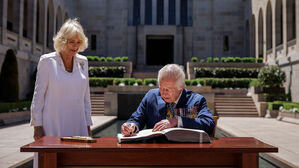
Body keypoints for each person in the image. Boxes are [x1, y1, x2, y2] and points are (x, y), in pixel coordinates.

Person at [30, 18, 92, 167]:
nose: (75, 46)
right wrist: (37, 126)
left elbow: (86, 97)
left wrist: (88, 125)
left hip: (78, 125)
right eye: (72, 41)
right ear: (62, 41)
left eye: (78, 42)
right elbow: (38, 96)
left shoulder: (83, 62)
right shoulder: (47, 61)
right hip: (53, 124)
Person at [121, 64, 215, 137]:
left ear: (181, 87)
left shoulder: (196, 100)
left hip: (185, 153)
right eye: (161, 88)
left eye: (169, 89)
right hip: (154, 152)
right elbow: (136, 119)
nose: (164, 93)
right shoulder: (151, 96)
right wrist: (131, 126)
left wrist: (177, 121)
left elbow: (209, 124)